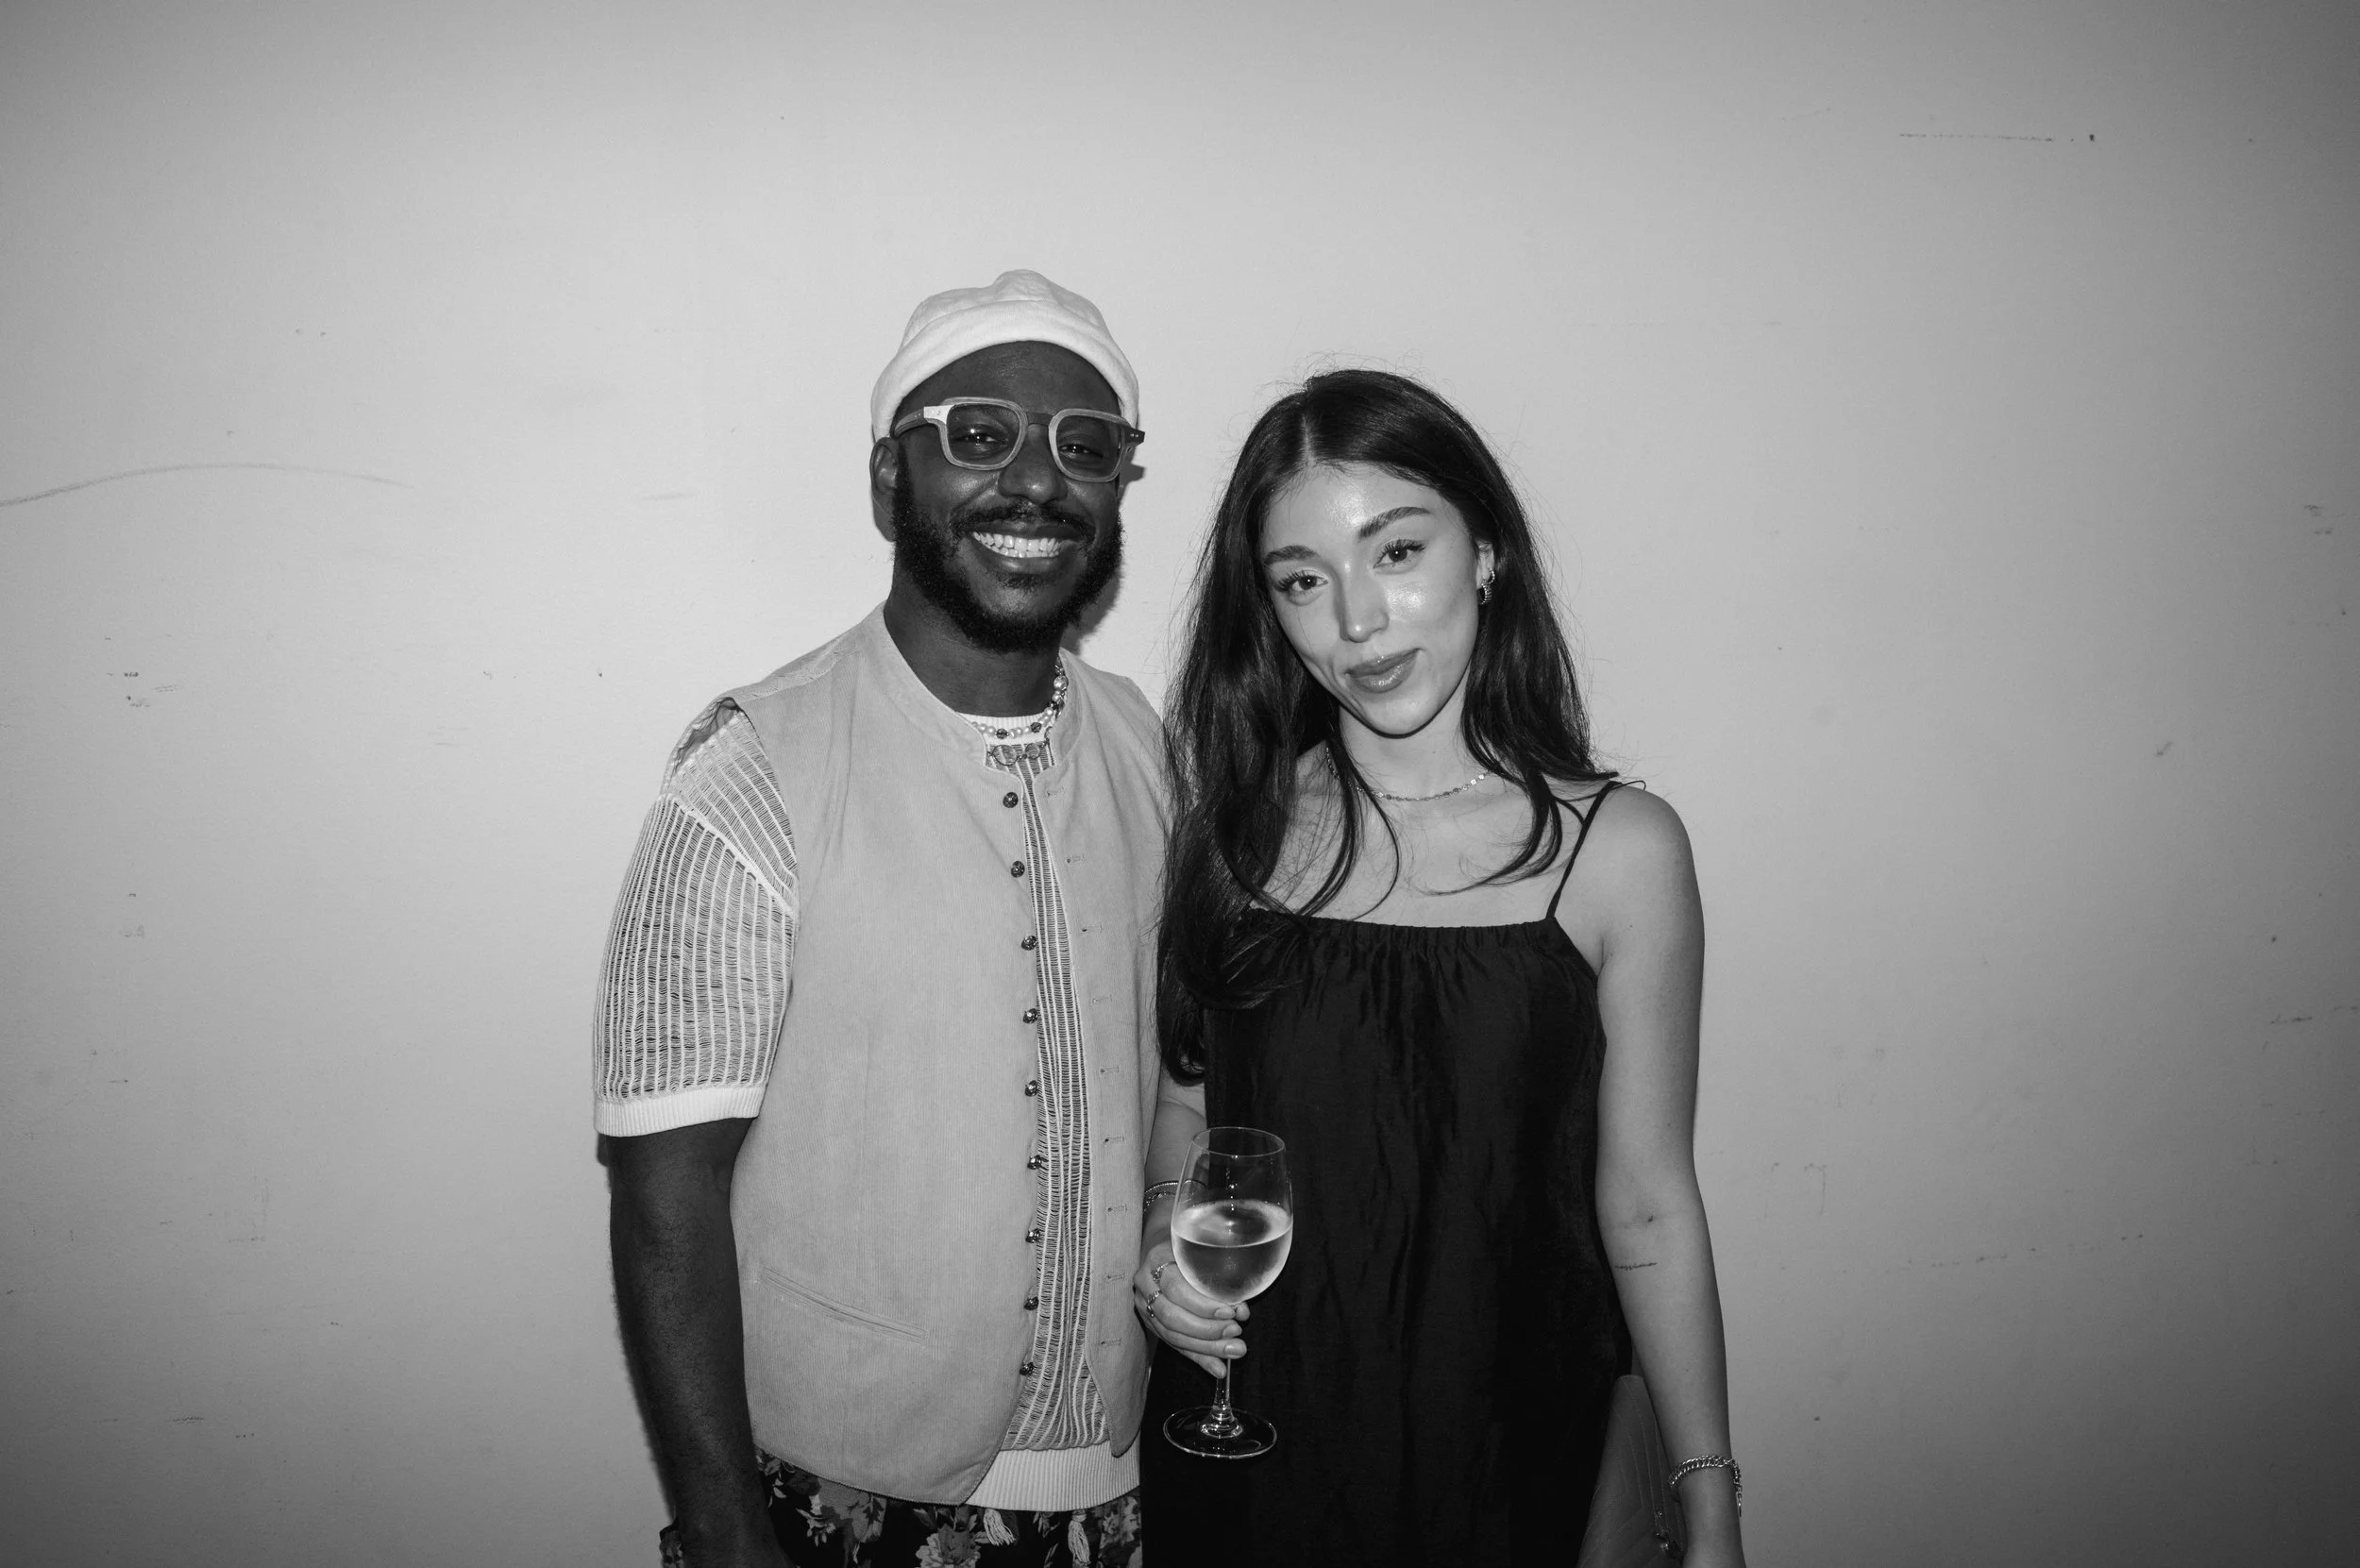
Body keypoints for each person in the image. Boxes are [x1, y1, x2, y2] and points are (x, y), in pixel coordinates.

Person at [594, 271, 1164, 1568]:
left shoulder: (1150, 747)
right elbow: (663, 1193)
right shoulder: (753, 774)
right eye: (976, 433)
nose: (1035, 481)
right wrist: (729, 1537)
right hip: (841, 1505)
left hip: (1125, 1486)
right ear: (885, 478)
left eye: (1087, 447)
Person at [1135, 369, 1747, 1566]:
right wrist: (1166, 1243)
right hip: (1258, 1451)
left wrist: (1711, 1500)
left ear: (1488, 553)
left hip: (1510, 1449)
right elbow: (1187, 1109)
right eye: (1302, 581)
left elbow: (1648, 1206)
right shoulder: (1233, 836)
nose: (1356, 621)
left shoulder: (1618, 852)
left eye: (1396, 550)